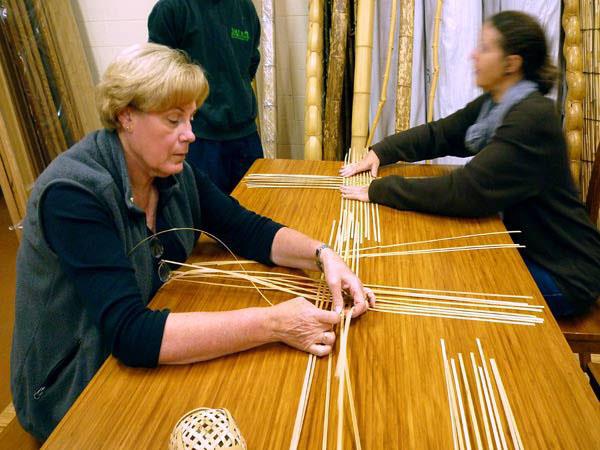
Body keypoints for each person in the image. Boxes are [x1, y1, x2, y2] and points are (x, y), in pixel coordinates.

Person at [10, 43, 375, 441]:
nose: (190, 134)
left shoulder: (171, 172)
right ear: (125, 116)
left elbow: (247, 229)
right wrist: (276, 323)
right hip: (73, 387)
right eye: (173, 120)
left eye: (191, 117)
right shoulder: (73, 194)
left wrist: (323, 255)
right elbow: (130, 335)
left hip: (136, 355)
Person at [341, 11, 600, 317]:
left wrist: (381, 190)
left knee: (451, 283)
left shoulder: (532, 118)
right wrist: (382, 152)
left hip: (563, 274)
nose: (473, 55)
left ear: (511, 63)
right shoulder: (498, 104)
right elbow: (442, 133)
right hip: (531, 250)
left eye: (485, 48)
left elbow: (467, 191)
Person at [148, 0, 263, 194]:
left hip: (245, 137)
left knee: (255, 208)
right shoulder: (172, 8)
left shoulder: (244, 7)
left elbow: (251, 62)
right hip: (198, 139)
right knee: (206, 218)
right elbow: (160, 72)